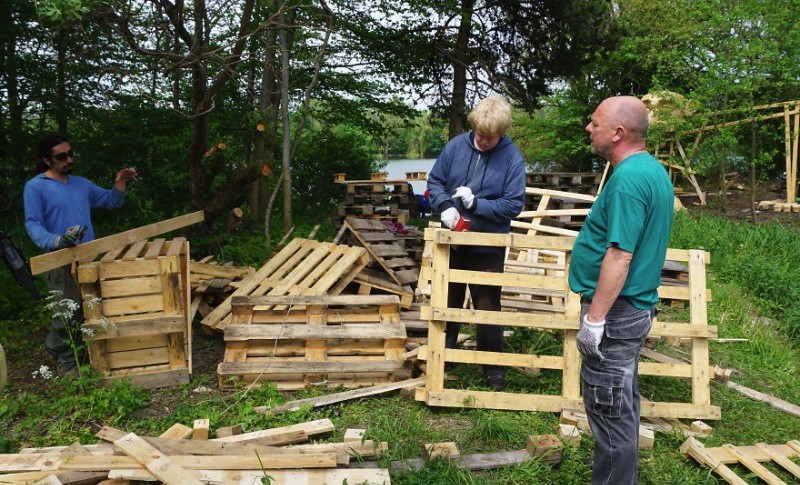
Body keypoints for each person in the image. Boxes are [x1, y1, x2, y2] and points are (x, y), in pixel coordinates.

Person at [568, 96, 674, 484]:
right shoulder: (650, 170)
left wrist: (595, 320)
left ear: (618, 132)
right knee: (620, 404)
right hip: (632, 309)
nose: (588, 128)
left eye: (595, 123)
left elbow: (620, 255)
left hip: (616, 314)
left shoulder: (629, 179)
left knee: (608, 412)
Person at [427, 96, 526, 391]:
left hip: (487, 245)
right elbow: (435, 181)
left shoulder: (512, 159)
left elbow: (513, 205)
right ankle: (443, 357)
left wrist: (478, 203)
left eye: (490, 138)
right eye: (479, 135)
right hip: (453, 240)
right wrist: (445, 205)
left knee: (487, 305)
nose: (483, 141)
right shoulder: (456, 147)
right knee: (448, 299)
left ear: (502, 133)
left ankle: (492, 367)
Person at [23, 133, 138, 373]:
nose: (68, 159)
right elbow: (33, 223)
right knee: (68, 310)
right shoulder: (36, 186)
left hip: (88, 256)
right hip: (58, 258)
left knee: (92, 306)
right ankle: (65, 360)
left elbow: (110, 201)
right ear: (47, 160)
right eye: (61, 156)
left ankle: (88, 353)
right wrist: (56, 240)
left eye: (70, 154)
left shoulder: (81, 184)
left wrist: (119, 182)